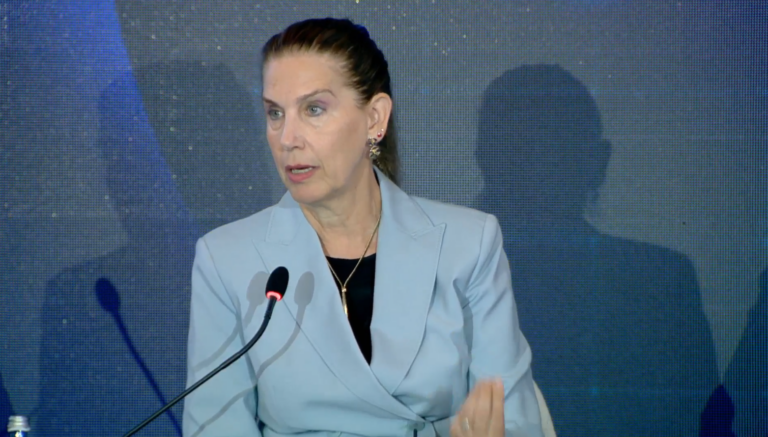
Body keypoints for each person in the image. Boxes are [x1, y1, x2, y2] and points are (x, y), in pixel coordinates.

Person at [182, 18, 543, 437]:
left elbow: (515, 420)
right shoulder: (227, 259)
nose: (287, 138)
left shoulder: (469, 244)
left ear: (374, 118)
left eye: (313, 109)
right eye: (275, 113)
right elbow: (215, 427)